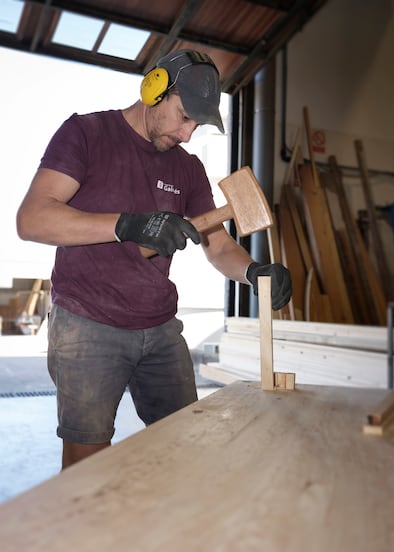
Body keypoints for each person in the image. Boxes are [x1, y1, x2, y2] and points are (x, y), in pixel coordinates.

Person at [16, 49, 291, 469]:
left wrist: (253, 272)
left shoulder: (188, 169)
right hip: (88, 323)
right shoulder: (87, 134)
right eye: (184, 116)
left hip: (160, 329)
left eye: (197, 125)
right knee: (86, 463)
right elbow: (32, 218)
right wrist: (127, 225)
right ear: (155, 89)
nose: (187, 133)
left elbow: (216, 245)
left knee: (182, 445)